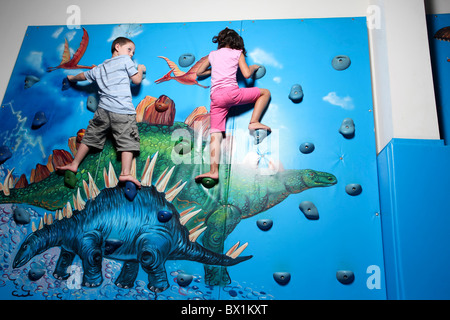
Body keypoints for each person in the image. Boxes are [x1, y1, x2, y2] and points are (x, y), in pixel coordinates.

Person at [57, 37, 146, 188]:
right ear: (117, 47)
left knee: (89, 137)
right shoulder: (125, 61)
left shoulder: (100, 68)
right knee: (127, 141)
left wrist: (72, 78)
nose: (131, 54)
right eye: (129, 49)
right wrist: (141, 69)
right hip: (122, 110)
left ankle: (74, 164)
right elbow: (136, 80)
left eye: (132, 52)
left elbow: (83, 76)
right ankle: (125, 173)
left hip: (103, 111)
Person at [194, 28, 271, 184]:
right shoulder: (238, 53)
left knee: (215, 134)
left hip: (216, 98)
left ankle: (213, 171)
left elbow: (199, 72)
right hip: (232, 94)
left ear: (220, 42)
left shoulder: (213, 55)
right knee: (265, 93)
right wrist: (253, 67)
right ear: (237, 43)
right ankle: (254, 121)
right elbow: (247, 75)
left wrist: (213, 70)